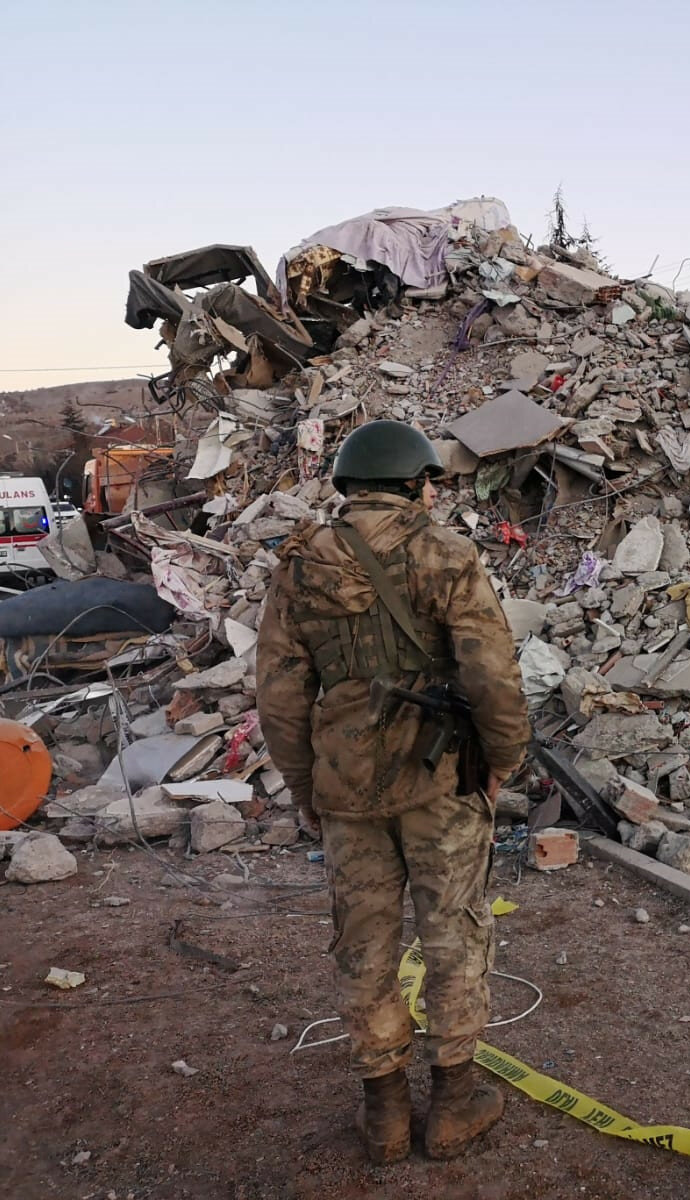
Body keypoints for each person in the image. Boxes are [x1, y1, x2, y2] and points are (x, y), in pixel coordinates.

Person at [257, 420, 531, 1163]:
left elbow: (280, 694)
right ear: (416, 483)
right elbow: (491, 671)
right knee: (454, 931)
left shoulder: (299, 565)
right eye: (430, 482)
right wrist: (503, 756)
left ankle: (383, 1112)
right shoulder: (444, 552)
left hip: (344, 784)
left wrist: (303, 785)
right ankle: (453, 1102)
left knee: (365, 942)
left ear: (349, 484)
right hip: (439, 779)